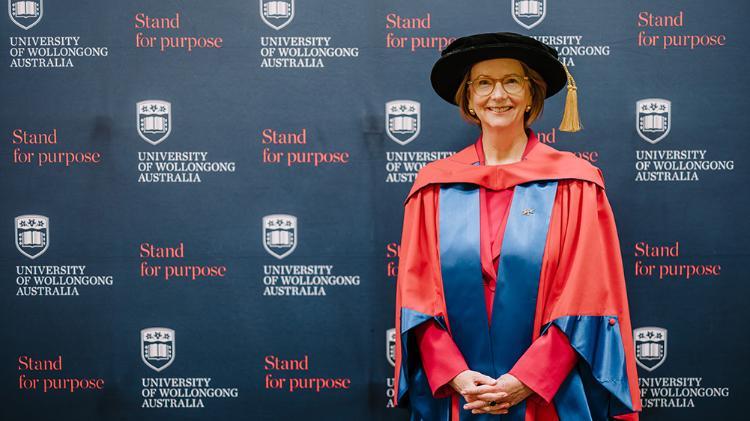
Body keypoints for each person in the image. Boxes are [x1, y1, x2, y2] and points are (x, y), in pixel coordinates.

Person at [392, 33, 642, 420]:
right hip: (460, 398)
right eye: (484, 83)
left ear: (531, 95)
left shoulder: (574, 183)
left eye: (512, 81)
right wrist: (456, 375)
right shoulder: (433, 186)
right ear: (469, 98)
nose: (498, 95)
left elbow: (587, 297)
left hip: (550, 396)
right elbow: (418, 299)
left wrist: (528, 378)